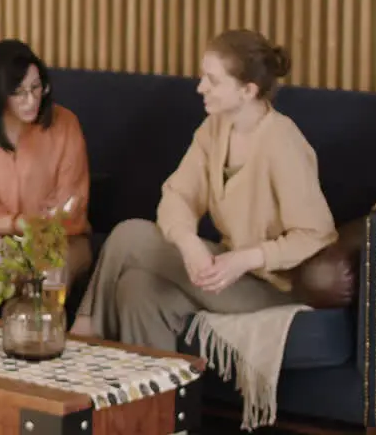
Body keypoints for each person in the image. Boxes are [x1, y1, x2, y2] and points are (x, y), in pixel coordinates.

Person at [70, 29, 338, 350]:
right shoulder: (214, 127)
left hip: (270, 288)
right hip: (225, 271)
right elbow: (178, 195)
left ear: (247, 91)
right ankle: (160, 399)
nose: (200, 88)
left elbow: (316, 234)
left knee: (129, 236)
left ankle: (83, 330)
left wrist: (247, 259)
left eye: (212, 80)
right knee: (137, 288)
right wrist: (188, 242)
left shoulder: (283, 143)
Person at [0, 39, 92, 314]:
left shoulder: (65, 125)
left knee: (53, 266)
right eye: (19, 93)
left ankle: (44, 345)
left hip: (62, 239)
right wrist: (17, 224)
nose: (32, 100)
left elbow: (70, 203)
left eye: (37, 88)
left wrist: (36, 230)